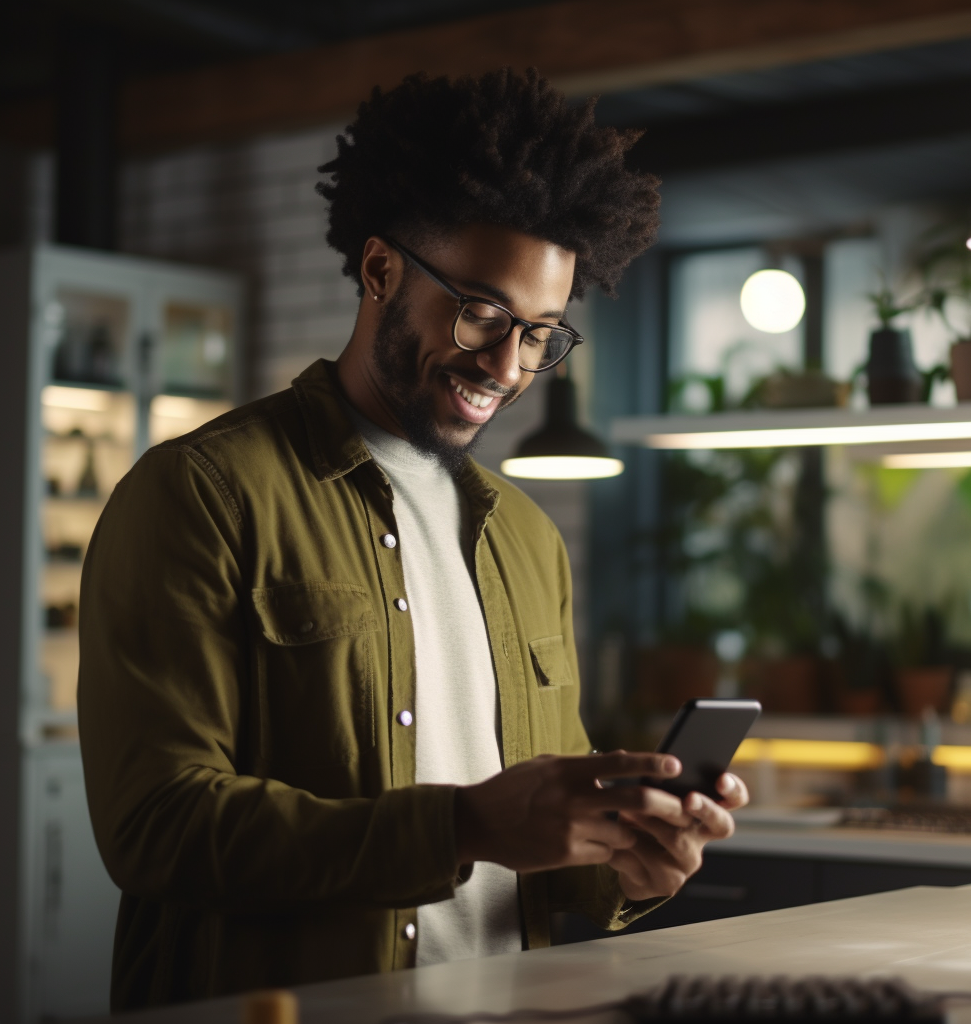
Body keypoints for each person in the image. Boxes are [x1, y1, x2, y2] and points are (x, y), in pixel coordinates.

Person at [78, 67, 748, 1012]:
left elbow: (542, 861)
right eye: (481, 312)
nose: (507, 366)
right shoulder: (202, 495)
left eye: (542, 334)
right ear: (380, 269)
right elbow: (155, 828)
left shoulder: (527, 540)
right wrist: (464, 823)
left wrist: (631, 867)